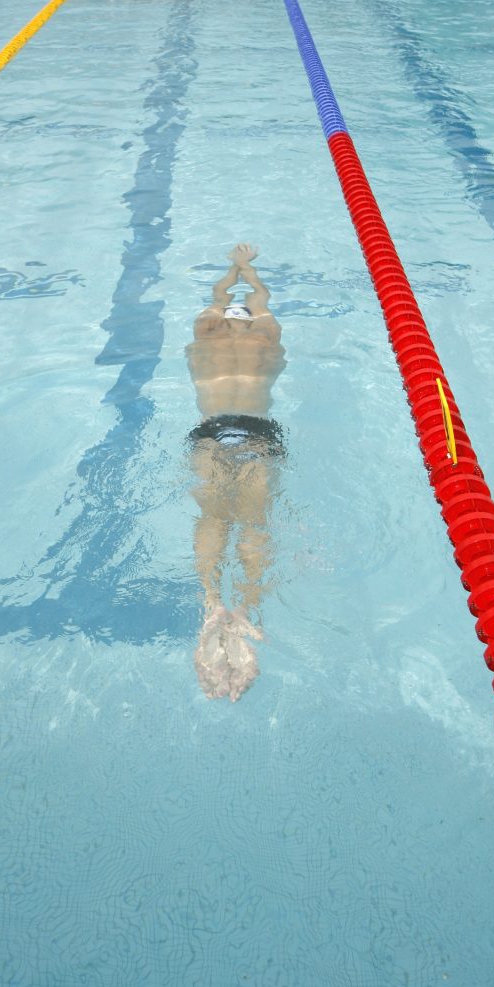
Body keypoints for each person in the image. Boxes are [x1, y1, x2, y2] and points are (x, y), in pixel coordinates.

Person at [186, 244, 286, 701]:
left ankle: (212, 602)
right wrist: (248, 269)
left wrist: (232, 269)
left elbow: (219, 293)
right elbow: (260, 298)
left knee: (213, 516)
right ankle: (245, 608)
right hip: (258, 432)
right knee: (253, 521)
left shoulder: (204, 331)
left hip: (211, 431)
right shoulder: (266, 337)